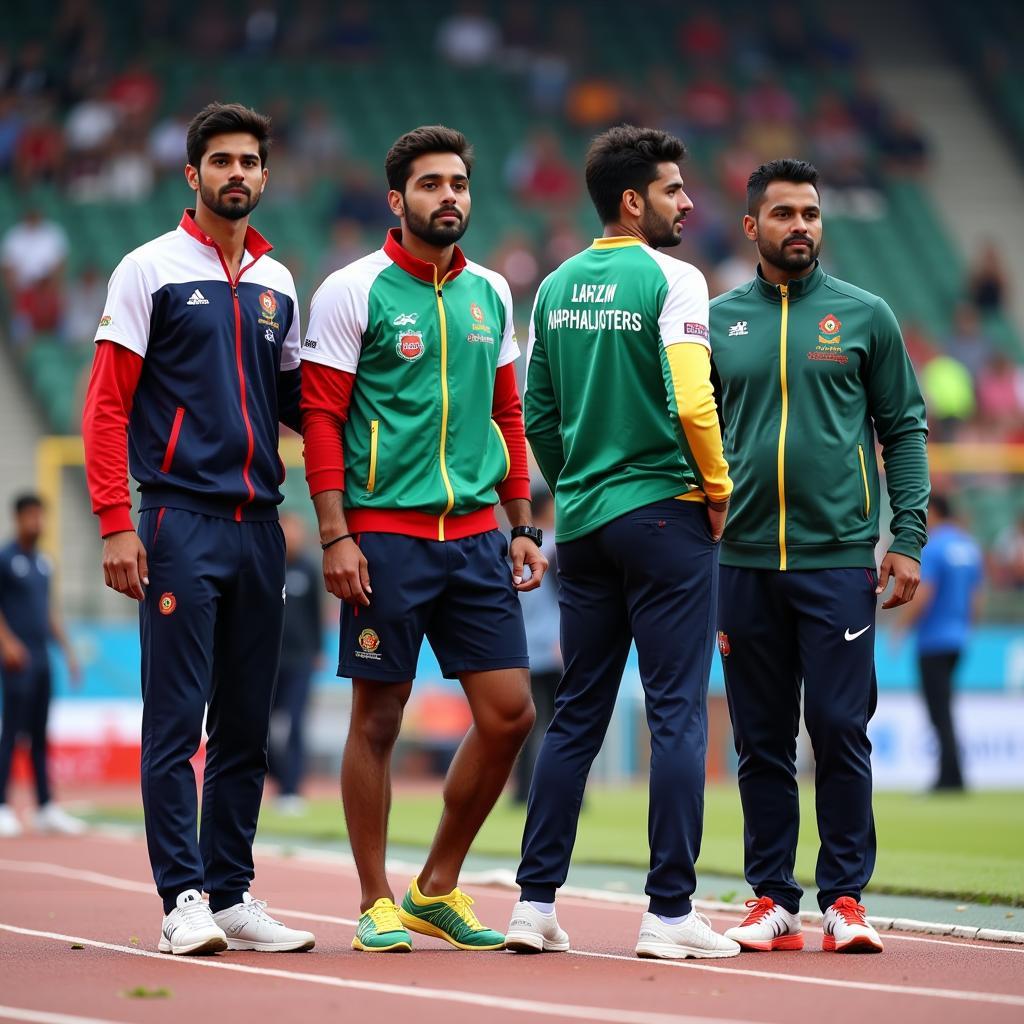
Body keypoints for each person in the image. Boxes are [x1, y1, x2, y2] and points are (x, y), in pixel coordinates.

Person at [300, 124, 547, 953]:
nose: (451, 197)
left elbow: (506, 414)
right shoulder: (353, 290)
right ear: (396, 198)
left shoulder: (490, 293)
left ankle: (436, 884)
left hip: (478, 534)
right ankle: (373, 898)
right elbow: (323, 419)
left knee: (510, 715)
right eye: (433, 184)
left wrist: (521, 522)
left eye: (460, 185)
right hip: (386, 538)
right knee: (379, 717)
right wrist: (336, 535)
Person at [81, 102, 315, 957]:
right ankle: (180, 898)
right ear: (193, 174)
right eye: (222, 161)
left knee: (246, 724)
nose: (238, 174)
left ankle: (231, 892)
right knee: (178, 719)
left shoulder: (279, 282)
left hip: (262, 526)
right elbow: (106, 405)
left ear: (264, 173)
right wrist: (116, 522)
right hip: (180, 518)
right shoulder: (148, 270)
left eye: (251, 160)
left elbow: (300, 406)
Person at [506, 124, 739, 961]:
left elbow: (536, 414)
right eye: (676, 189)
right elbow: (691, 398)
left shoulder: (558, 284)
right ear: (635, 200)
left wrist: (576, 486)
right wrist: (717, 491)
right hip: (668, 514)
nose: (689, 201)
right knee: (678, 713)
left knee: (575, 715)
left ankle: (534, 905)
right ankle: (669, 913)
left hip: (588, 524)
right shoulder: (675, 278)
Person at [709, 159, 929, 954]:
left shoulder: (865, 316)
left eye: (810, 213)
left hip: (837, 560)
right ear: (751, 227)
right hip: (740, 562)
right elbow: (688, 433)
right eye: (783, 214)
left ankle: (845, 898)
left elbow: (904, 428)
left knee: (840, 727)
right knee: (760, 740)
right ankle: (772, 898)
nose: (800, 225)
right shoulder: (717, 320)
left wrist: (905, 539)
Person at [0, 494, 83, 838]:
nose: (38, 522)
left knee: (39, 733)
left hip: (43, 658)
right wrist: (7, 643)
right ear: (19, 518)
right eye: (31, 516)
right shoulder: (5, 559)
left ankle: (45, 806)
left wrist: (67, 651)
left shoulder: (44, 563)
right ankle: (2, 805)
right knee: (12, 733)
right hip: (19, 660)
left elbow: (47, 610)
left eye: (41, 516)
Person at [896, 493, 982, 791]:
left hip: (933, 640)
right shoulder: (968, 546)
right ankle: (953, 773)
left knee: (938, 710)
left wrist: (901, 628)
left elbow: (925, 593)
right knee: (945, 707)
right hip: (958, 637)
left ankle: (950, 777)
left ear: (933, 512)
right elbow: (976, 598)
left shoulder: (934, 547)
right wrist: (967, 628)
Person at [268, 512, 324, 812]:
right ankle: (275, 776)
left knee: (296, 723)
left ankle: (291, 789)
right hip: (268, 659)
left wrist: (318, 650)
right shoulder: (267, 565)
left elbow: (317, 614)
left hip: (301, 660)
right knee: (260, 725)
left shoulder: (309, 570)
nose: (294, 536)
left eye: (297, 531)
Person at [512, 485, 561, 804]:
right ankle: (565, 791)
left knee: (527, 723)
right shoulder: (557, 547)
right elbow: (567, 599)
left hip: (523, 645)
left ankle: (521, 793)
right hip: (554, 646)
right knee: (562, 723)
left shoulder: (517, 547)